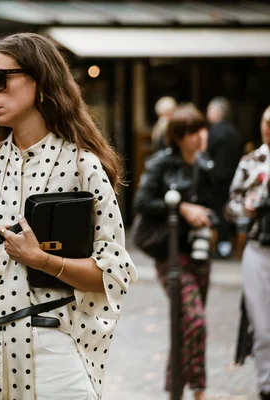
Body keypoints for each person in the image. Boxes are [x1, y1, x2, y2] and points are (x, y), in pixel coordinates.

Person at [0, 32, 137, 400]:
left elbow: (112, 275)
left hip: (47, 352)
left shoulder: (82, 167)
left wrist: (41, 260)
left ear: (39, 80)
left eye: (0, 80)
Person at [134, 104, 215, 400]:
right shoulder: (161, 164)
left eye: (201, 129)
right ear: (178, 136)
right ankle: (193, 389)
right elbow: (141, 203)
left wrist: (207, 217)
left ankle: (185, 389)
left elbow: (215, 206)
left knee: (189, 324)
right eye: (192, 132)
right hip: (169, 253)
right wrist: (181, 207)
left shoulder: (204, 164)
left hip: (199, 251)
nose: (200, 136)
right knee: (195, 320)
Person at [226, 105, 270, 400]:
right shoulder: (252, 161)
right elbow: (230, 205)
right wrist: (247, 209)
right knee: (263, 322)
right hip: (258, 247)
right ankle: (267, 384)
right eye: (267, 121)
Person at [207, 96, 244, 257]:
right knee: (231, 210)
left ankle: (223, 246)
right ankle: (233, 244)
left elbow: (207, 154)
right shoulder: (235, 132)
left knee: (219, 211)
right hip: (234, 176)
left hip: (217, 178)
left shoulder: (213, 132)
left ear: (216, 113)